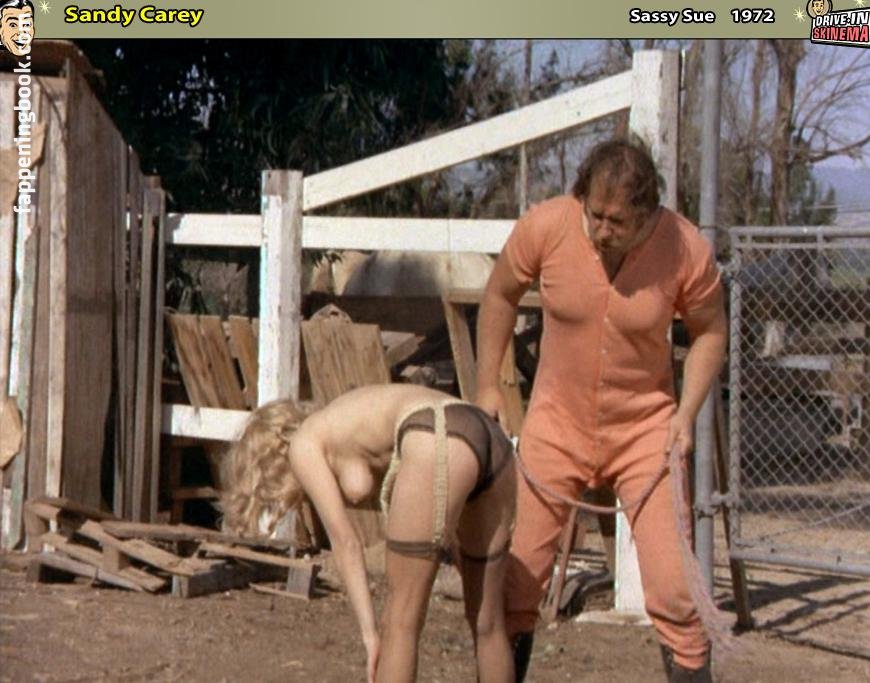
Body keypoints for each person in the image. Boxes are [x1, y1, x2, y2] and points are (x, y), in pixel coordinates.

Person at [475, 139, 727, 682]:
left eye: (617, 221)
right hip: (555, 423)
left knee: (674, 591)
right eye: (595, 214)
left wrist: (685, 414)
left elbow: (710, 331)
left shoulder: (685, 247)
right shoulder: (547, 226)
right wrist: (488, 385)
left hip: (645, 430)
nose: (602, 229)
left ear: (647, 213)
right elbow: (499, 295)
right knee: (518, 581)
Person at [221, 383, 517, 683]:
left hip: (437, 433)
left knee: (399, 623)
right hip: (488, 436)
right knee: (488, 622)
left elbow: (346, 543)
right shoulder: (344, 417)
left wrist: (370, 634)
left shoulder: (303, 443)